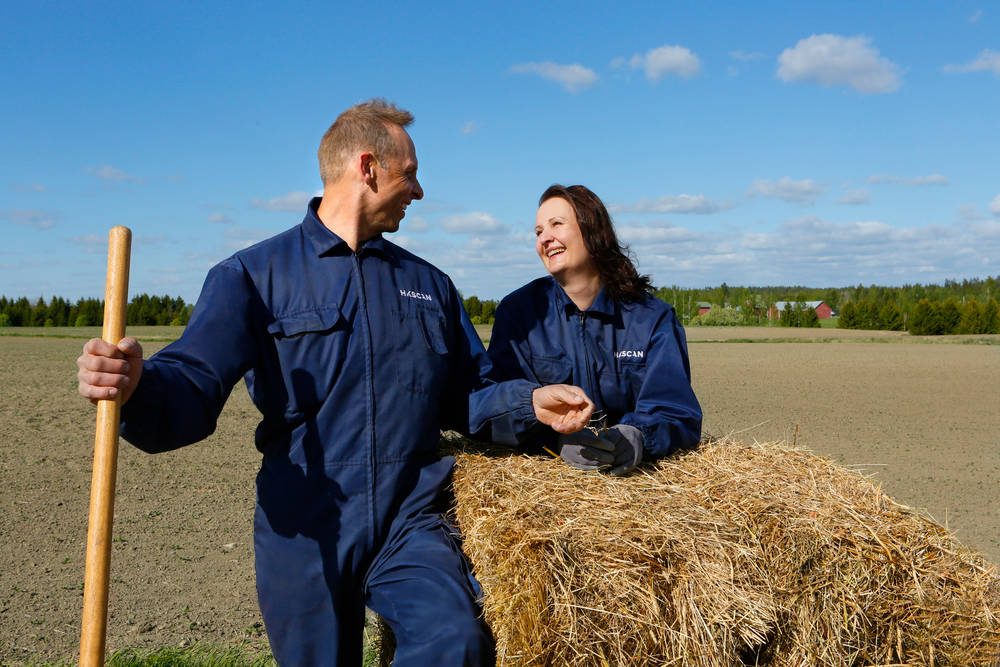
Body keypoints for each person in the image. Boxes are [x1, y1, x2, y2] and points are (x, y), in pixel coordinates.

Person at [75, 100, 594, 666]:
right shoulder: (252, 275)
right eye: (410, 173)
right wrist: (136, 387)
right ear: (368, 167)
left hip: (408, 516)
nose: (418, 191)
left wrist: (529, 400)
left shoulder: (429, 285)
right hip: (304, 522)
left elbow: (467, 395)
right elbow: (193, 380)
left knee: (456, 642)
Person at [487, 184, 702, 476]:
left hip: (633, 488)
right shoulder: (518, 314)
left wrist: (638, 436)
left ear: (592, 230)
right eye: (538, 232)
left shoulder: (652, 318)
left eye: (556, 225)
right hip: (552, 487)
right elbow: (500, 406)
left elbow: (677, 411)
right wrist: (555, 440)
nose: (545, 239)